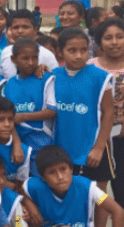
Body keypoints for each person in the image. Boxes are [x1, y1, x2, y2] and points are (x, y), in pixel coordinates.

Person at [52, 27, 114, 227]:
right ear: (60, 52)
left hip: (94, 147)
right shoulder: (52, 76)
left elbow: (109, 113)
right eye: (72, 50)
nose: (79, 55)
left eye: (83, 50)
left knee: (100, 197)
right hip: (62, 148)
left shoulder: (100, 76)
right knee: (68, 195)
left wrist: (98, 147)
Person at [90, 18, 124, 225]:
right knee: (95, 189)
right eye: (108, 38)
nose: (114, 42)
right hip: (96, 137)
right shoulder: (90, 66)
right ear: (99, 42)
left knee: (122, 186)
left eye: (120, 37)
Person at [23, 145, 124, 227]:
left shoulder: (86, 187)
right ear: (43, 177)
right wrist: (27, 204)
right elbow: (16, 191)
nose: (60, 176)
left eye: (63, 169)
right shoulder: (33, 186)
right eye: (52, 172)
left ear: (71, 170)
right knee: (19, 217)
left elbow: (118, 211)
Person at [0, 38, 56, 176]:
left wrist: (23, 116)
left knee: (42, 180)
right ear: (13, 59)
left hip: (42, 140)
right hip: (17, 140)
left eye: (34, 58)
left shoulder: (46, 79)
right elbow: (7, 119)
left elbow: (52, 111)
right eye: (25, 58)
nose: (30, 62)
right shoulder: (9, 85)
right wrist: (17, 144)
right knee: (21, 183)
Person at [0, 9, 59, 79]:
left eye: (25, 27)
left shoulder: (47, 55)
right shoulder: (6, 52)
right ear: (11, 30)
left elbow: (56, 81)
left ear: (35, 30)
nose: (20, 31)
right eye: (16, 27)